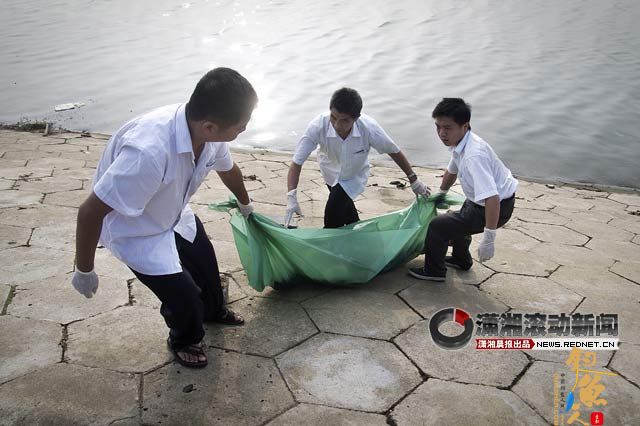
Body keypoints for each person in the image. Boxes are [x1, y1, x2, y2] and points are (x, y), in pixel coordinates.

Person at [71, 67, 258, 368]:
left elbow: (228, 169)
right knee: (184, 296)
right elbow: (90, 211)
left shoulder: (210, 134)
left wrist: (247, 206)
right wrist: (84, 269)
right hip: (136, 229)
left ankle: (213, 311)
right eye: (241, 125)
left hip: (173, 211)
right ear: (210, 126)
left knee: (206, 267)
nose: (244, 129)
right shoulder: (148, 152)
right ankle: (184, 338)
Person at [284, 87, 430, 228]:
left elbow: (394, 151)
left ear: (356, 118)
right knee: (347, 214)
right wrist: (291, 195)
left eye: (344, 120)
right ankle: (358, 235)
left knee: (333, 216)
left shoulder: (369, 128)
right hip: (329, 171)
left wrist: (414, 180)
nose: (337, 125)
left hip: (354, 176)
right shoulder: (318, 126)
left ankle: (331, 247)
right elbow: (297, 162)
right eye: (333, 118)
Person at [409, 98, 518, 281]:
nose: (441, 133)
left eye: (448, 128)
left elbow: (492, 198)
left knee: (439, 226)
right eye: (438, 127)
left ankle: (434, 271)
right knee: (459, 218)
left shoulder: (473, 156)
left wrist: (489, 238)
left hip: (496, 207)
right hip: (481, 203)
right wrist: (441, 193)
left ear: (464, 125)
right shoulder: (462, 143)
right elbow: (452, 170)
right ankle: (461, 260)